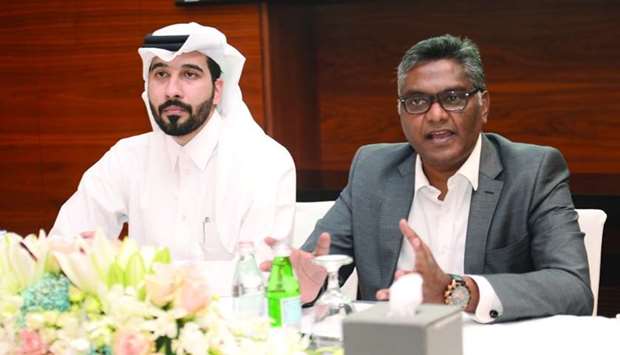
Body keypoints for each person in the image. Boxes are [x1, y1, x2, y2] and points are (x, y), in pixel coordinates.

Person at [268, 34, 592, 322]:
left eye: (453, 98)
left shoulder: (532, 171)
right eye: (417, 101)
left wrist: (456, 291)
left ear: (484, 106)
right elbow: (315, 266)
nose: (435, 115)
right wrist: (308, 287)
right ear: (400, 112)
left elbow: (573, 288)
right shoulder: (372, 170)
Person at [50, 23, 296, 294]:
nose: (172, 90)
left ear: (217, 90)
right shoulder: (126, 158)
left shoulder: (264, 162)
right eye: (161, 74)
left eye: (189, 74)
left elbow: (258, 279)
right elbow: (63, 248)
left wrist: (129, 264)